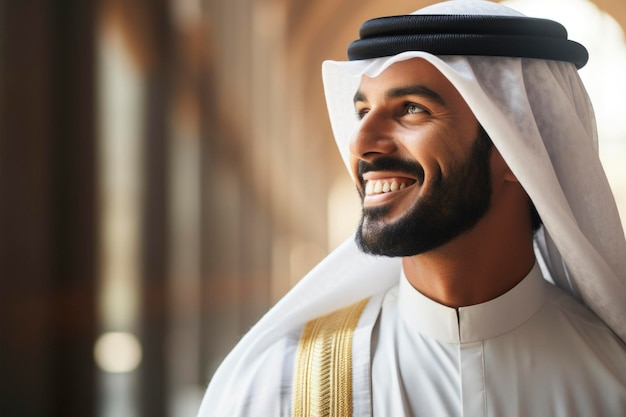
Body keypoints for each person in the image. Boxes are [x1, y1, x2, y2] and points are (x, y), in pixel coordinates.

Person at [197, 1, 626, 416]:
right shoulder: (280, 388)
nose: (361, 143)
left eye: (411, 109)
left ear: (519, 151)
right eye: (363, 110)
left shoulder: (613, 380)